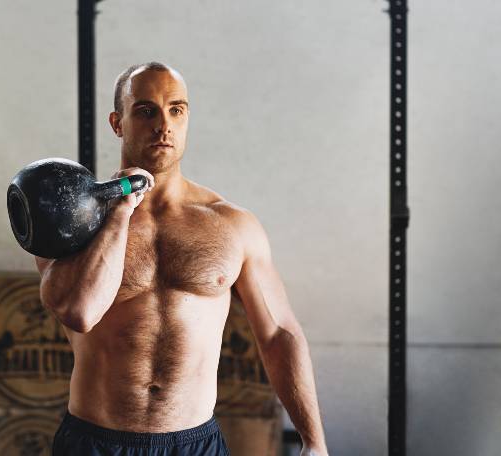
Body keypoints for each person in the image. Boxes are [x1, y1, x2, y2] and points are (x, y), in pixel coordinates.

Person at [36, 62, 328, 456]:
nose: (164, 125)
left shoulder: (231, 224)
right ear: (117, 122)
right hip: (97, 441)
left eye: (177, 110)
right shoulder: (73, 222)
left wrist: (314, 442)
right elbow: (79, 311)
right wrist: (121, 209)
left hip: (193, 444)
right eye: (146, 111)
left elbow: (278, 335)